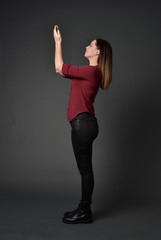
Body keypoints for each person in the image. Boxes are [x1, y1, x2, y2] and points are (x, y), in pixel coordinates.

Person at [53, 25, 112, 224]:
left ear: (98, 52)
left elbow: (59, 67)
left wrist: (58, 42)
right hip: (85, 124)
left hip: (82, 124)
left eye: (91, 45)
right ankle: (83, 208)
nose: (86, 46)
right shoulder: (89, 73)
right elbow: (62, 72)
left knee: (85, 170)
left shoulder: (91, 72)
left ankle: (85, 211)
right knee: (86, 170)